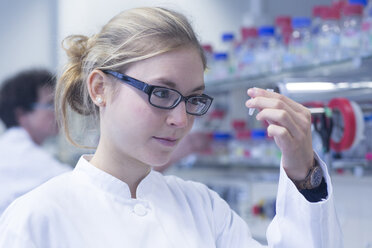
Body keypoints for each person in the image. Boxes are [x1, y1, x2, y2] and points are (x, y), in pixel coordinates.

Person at [0, 7, 342, 247]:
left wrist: (303, 170)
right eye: (161, 93)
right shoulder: (36, 218)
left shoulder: (202, 208)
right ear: (99, 88)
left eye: (193, 99)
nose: (181, 119)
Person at [0, 69, 71, 215]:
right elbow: (79, 186)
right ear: (21, 114)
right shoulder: (19, 153)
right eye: (50, 104)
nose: (59, 110)